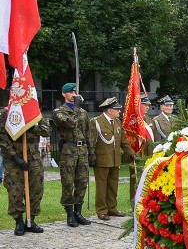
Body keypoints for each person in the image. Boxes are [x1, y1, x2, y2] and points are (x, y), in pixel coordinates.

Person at [0, 108, 50, 235]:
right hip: (14, 159)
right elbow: (2, 137)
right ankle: (19, 222)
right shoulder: (7, 113)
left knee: (36, 190)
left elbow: (46, 131)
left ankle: (31, 220)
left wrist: (33, 121)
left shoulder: (34, 111)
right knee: (15, 190)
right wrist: (15, 157)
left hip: (33, 158)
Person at [89, 97, 136, 220]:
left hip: (115, 159)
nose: (119, 111)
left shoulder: (117, 122)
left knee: (113, 185)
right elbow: (91, 141)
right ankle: (101, 210)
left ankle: (112, 208)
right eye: (117, 109)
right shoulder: (96, 122)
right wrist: (91, 157)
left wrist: (131, 153)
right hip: (102, 159)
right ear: (109, 110)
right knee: (102, 186)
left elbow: (123, 141)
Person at [53, 83, 92, 227]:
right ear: (64, 94)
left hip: (82, 150)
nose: (74, 95)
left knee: (82, 182)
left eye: (75, 92)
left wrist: (91, 151)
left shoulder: (82, 112)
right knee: (68, 182)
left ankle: (78, 212)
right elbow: (69, 124)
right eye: (71, 92)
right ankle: (70, 214)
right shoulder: (59, 111)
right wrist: (76, 108)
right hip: (68, 150)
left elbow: (88, 131)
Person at [129, 96, 155, 199]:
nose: (147, 107)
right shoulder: (133, 120)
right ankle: (134, 199)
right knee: (135, 178)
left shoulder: (148, 119)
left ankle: (146, 199)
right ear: (139, 105)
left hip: (148, 153)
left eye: (148, 105)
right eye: (145, 105)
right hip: (137, 152)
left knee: (147, 177)